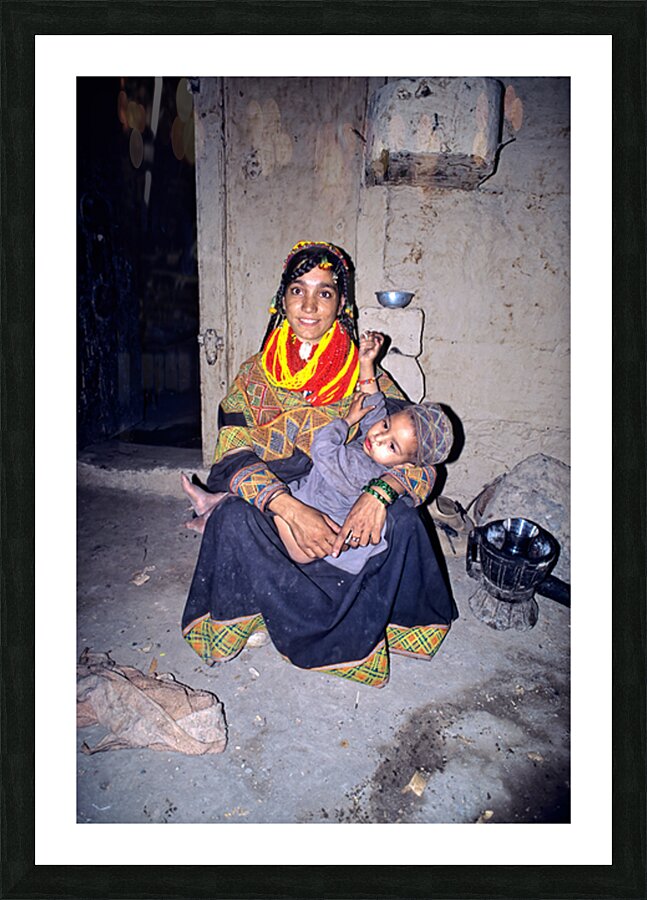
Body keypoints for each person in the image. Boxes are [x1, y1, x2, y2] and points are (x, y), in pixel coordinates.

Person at [181, 240, 457, 687]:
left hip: (349, 516)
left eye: (324, 292)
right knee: (230, 518)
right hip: (282, 503)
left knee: (404, 521)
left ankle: (382, 623)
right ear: (281, 299)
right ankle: (253, 611)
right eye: (298, 290)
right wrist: (287, 507)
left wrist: (378, 494)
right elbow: (230, 452)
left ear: (340, 303)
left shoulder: (367, 378)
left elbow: (421, 460)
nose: (309, 306)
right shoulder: (254, 376)